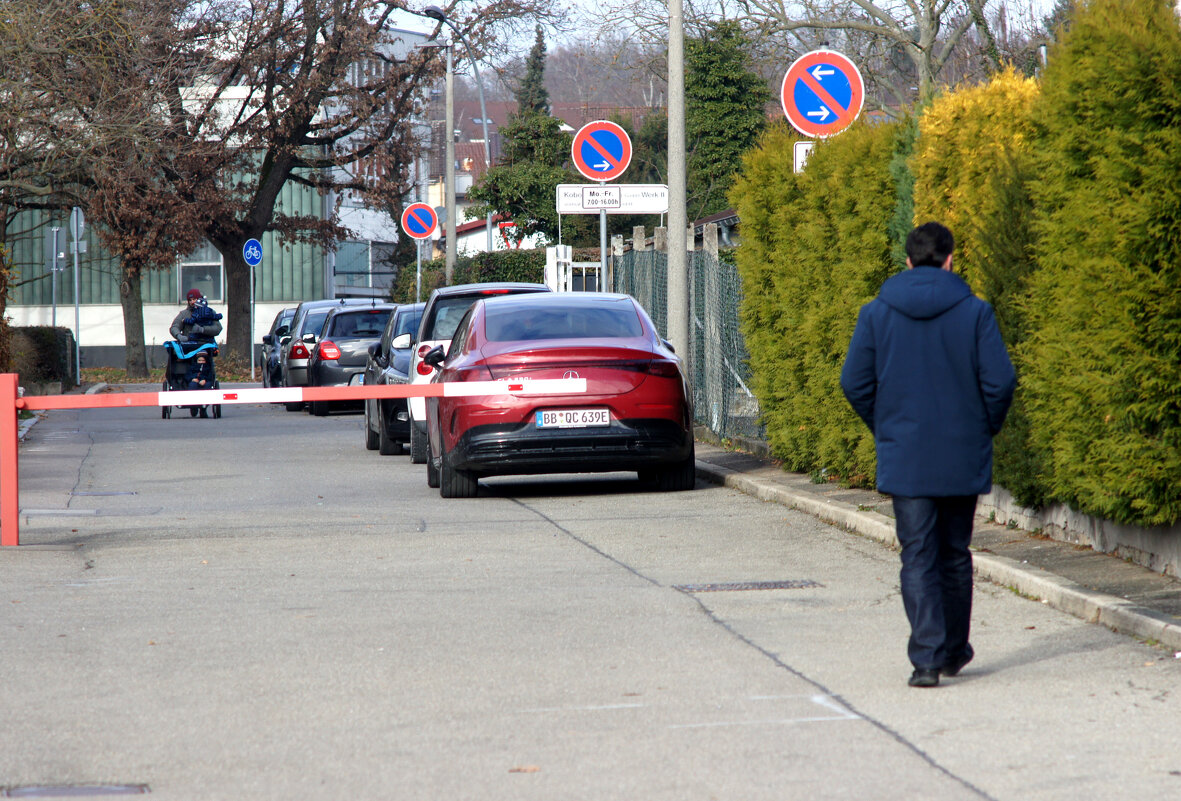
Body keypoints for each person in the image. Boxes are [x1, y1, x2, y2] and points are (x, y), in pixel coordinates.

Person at [839, 222, 1016, 689]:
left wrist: (886, 427)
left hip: (906, 456)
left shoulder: (876, 313)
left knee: (917, 553)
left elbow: (854, 382)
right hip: (961, 452)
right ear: (950, 260)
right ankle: (953, 652)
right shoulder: (976, 312)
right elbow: (1000, 382)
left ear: (908, 261)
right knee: (954, 552)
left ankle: (926, 659)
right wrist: (982, 428)